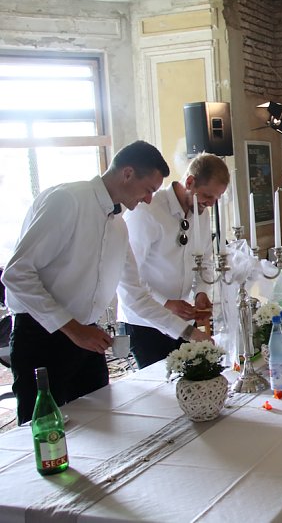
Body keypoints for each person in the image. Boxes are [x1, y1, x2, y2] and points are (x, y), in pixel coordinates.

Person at [2, 141, 208, 424]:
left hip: (87, 336)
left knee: (101, 423)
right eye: (148, 189)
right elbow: (16, 273)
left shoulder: (119, 226)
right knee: (41, 433)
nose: (149, 199)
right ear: (127, 173)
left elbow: (136, 296)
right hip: (40, 335)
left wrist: (188, 333)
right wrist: (74, 329)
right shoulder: (67, 200)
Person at [117, 153, 229, 369]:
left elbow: (204, 259)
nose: (211, 204)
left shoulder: (202, 212)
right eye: (208, 196)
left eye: (217, 198)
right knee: (158, 387)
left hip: (180, 319)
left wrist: (202, 292)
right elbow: (129, 276)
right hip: (144, 321)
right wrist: (166, 303)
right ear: (190, 182)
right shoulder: (147, 211)